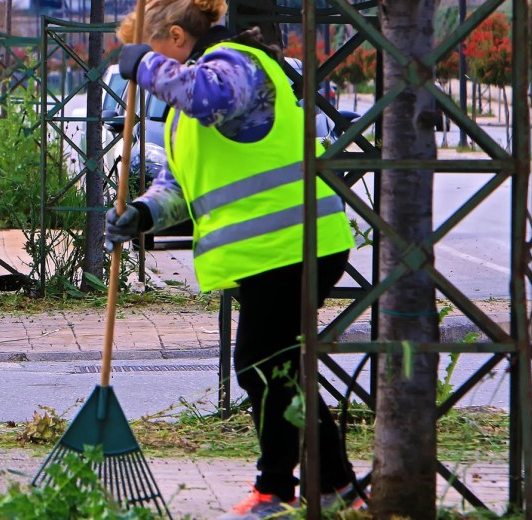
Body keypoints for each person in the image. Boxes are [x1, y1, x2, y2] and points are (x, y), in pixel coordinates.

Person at [106, 0, 359, 517]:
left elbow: (208, 96)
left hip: (294, 244)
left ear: (176, 37)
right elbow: (181, 181)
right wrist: (143, 212)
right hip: (273, 250)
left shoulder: (236, 64)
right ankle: (334, 486)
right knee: (276, 369)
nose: (153, 72)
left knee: (261, 367)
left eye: (154, 53)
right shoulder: (197, 93)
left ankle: (279, 489)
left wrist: (144, 66)